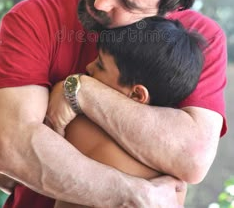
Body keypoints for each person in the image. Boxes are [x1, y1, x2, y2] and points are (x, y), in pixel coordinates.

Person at [0, 0, 227, 208]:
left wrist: (83, 90)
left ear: (168, 13)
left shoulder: (197, 40)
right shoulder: (36, 19)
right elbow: (10, 147)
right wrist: (133, 195)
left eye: (128, 4)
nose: (101, 2)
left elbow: (192, 157)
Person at [53, 15, 205, 208]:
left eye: (100, 65)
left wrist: (65, 88)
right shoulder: (173, 178)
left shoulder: (79, 125)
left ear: (137, 94)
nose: (88, 67)